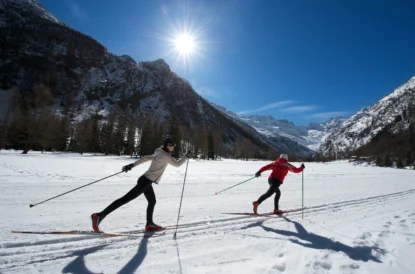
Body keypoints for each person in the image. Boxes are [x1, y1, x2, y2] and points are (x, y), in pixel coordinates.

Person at [91, 137, 189, 232]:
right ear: (168, 146)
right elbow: (177, 164)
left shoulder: (158, 151)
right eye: (173, 146)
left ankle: (149, 224)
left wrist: (132, 165)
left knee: (152, 201)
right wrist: (186, 157)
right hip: (145, 182)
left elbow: (146, 158)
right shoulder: (165, 155)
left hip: (145, 180)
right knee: (124, 199)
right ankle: (99, 216)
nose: (174, 147)